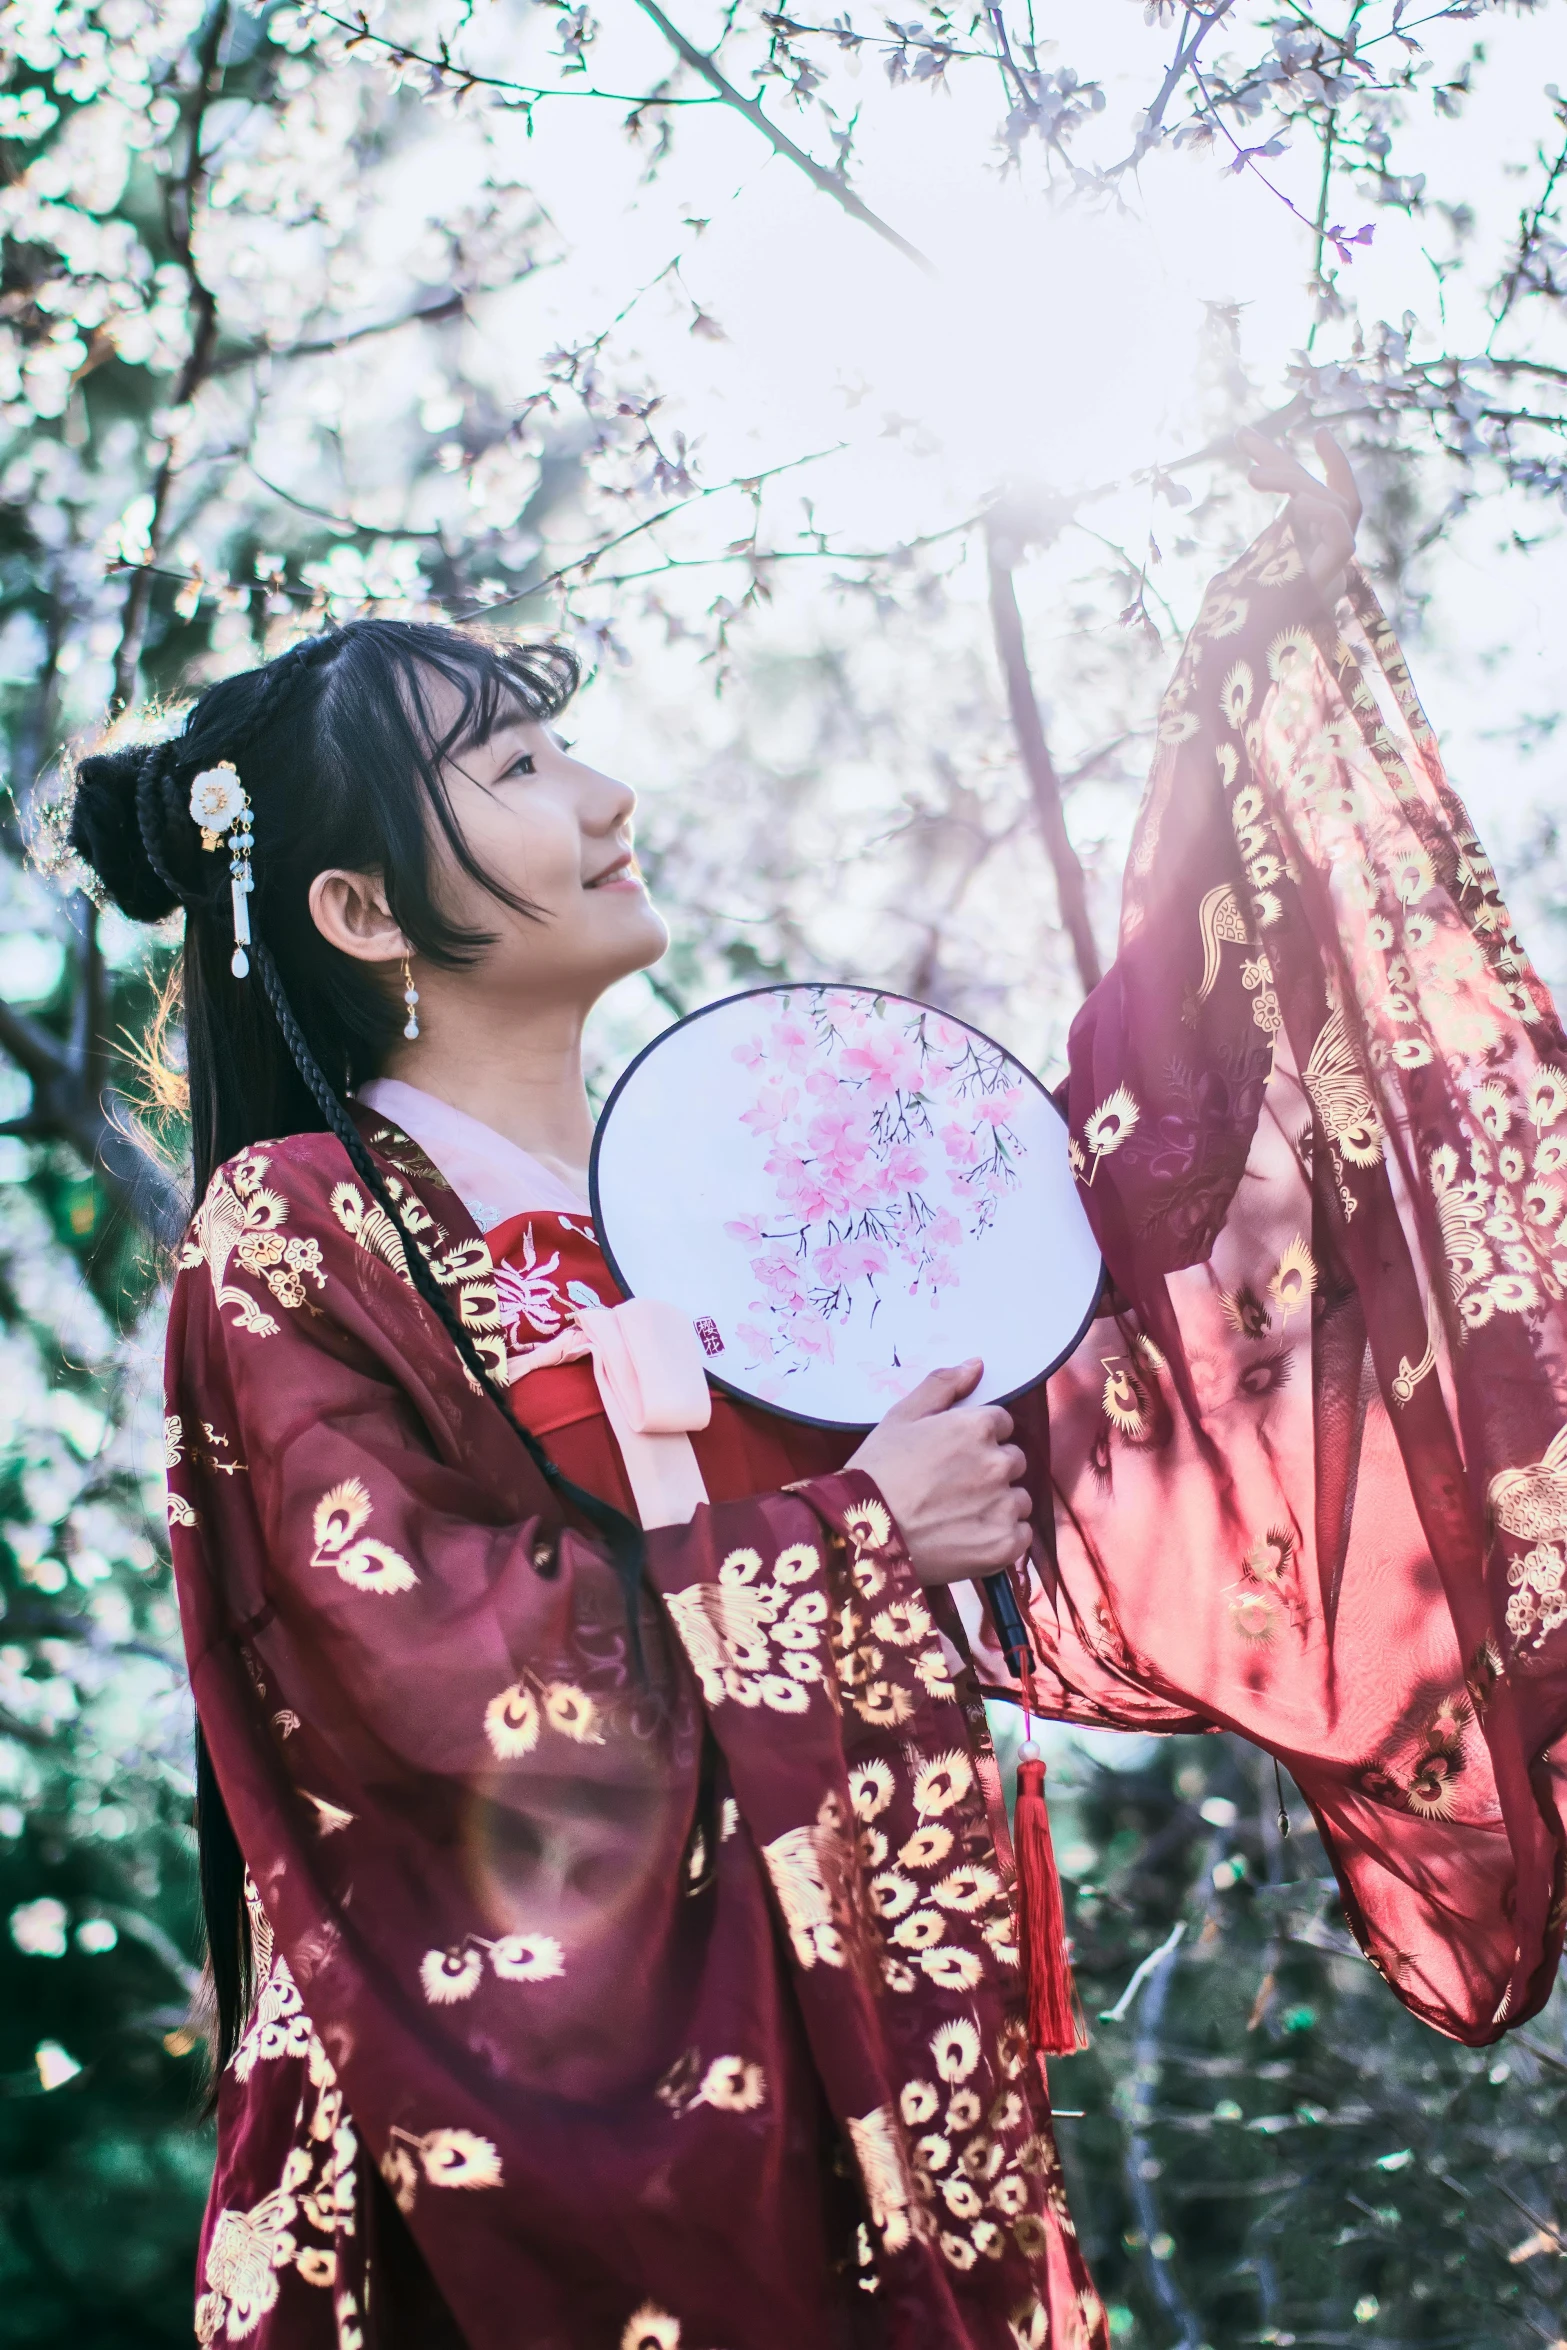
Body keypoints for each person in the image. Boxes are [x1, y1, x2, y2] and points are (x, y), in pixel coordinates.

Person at [64, 427, 1567, 2350]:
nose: (606, 796)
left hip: (851, 2087)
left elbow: (1101, 1201)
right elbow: (419, 1674)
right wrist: (864, 1535)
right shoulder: (301, 1228)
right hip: (498, 2162)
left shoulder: (718, 1212)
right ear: (361, 915)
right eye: (514, 768)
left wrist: (1236, 681)